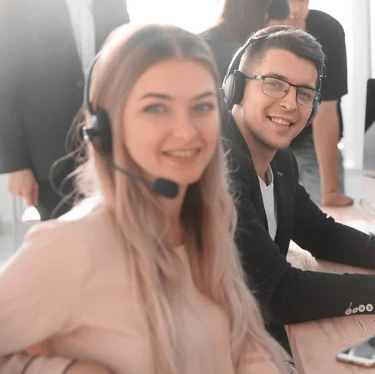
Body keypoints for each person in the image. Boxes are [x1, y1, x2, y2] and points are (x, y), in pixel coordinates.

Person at [0, 24, 288, 374]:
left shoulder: (204, 224)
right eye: (156, 108)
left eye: (202, 107)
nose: (186, 131)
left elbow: (239, 342)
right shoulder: (74, 245)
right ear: (106, 128)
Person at [222, 25, 375, 354]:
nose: (290, 104)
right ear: (237, 86)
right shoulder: (220, 170)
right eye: (274, 84)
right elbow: (280, 294)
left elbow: (320, 234)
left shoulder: (281, 161)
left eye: (304, 93)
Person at [0, 0, 130, 221]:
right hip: (46, 155)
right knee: (62, 241)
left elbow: (122, 71)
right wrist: (16, 163)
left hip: (106, 146)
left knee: (108, 236)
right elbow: (3, 78)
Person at [269, 0, 352, 207]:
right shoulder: (260, 35)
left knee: (328, 216)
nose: (295, 9)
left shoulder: (329, 30)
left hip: (313, 143)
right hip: (268, 139)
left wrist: (331, 192)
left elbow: (326, 113)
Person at [200, 0, 290, 82]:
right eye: (279, 25)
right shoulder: (238, 62)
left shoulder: (200, 43)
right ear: (260, 17)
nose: (280, 33)